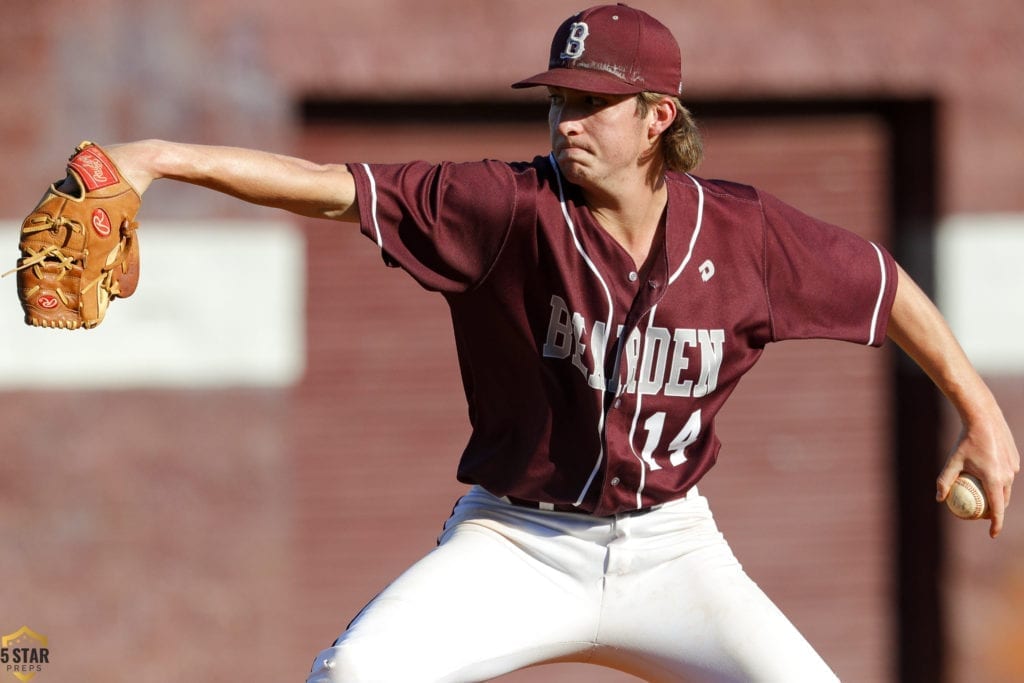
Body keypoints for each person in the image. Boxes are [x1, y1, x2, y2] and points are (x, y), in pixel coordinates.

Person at [100, 4, 1018, 681]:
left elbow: (886, 286)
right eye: (558, 99)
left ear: (659, 117)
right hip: (518, 540)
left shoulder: (747, 235)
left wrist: (983, 414)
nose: (565, 119)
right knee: (351, 676)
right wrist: (156, 159)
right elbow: (324, 185)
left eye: (592, 102)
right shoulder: (507, 208)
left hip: (673, 549)